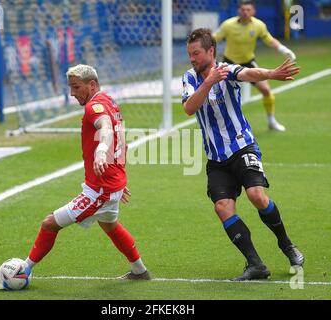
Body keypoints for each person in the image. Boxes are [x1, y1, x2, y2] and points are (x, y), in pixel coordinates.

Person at [182, 28, 304, 281]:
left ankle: (287, 244)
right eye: (190, 54)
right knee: (222, 207)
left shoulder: (227, 70)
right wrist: (208, 82)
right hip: (216, 159)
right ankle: (255, 264)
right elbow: (188, 108)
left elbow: (248, 73)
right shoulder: (190, 78)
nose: (192, 58)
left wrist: (271, 73)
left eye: (196, 53)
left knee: (257, 195)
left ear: (210, 51)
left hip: (242, 147)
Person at [24, 64, 151, 281]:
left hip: (100, 190)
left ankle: (22, 271)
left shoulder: (94, 108)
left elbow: (106, 130)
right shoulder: (110, 102)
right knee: (109, 225)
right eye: (70, 88)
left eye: (76, 87)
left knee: (49, 224)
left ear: (92, 85)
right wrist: (118, 178)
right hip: (111, 184)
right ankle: (140, 271)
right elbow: (122, 143)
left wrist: (101, 151)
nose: (72, 93)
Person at [213, 0, 297, 132]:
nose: (245, 12)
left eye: (248, 10)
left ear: (253, 11)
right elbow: (214, 38)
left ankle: (271, 121)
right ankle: (220, 125)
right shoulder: (228, 25)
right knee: (221, 96)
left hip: (248, 62)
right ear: (238, 11)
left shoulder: (258, 25)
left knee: (266, 90)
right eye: (243, 10)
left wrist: (283, 49)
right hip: (229, 63)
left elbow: (269, 39)